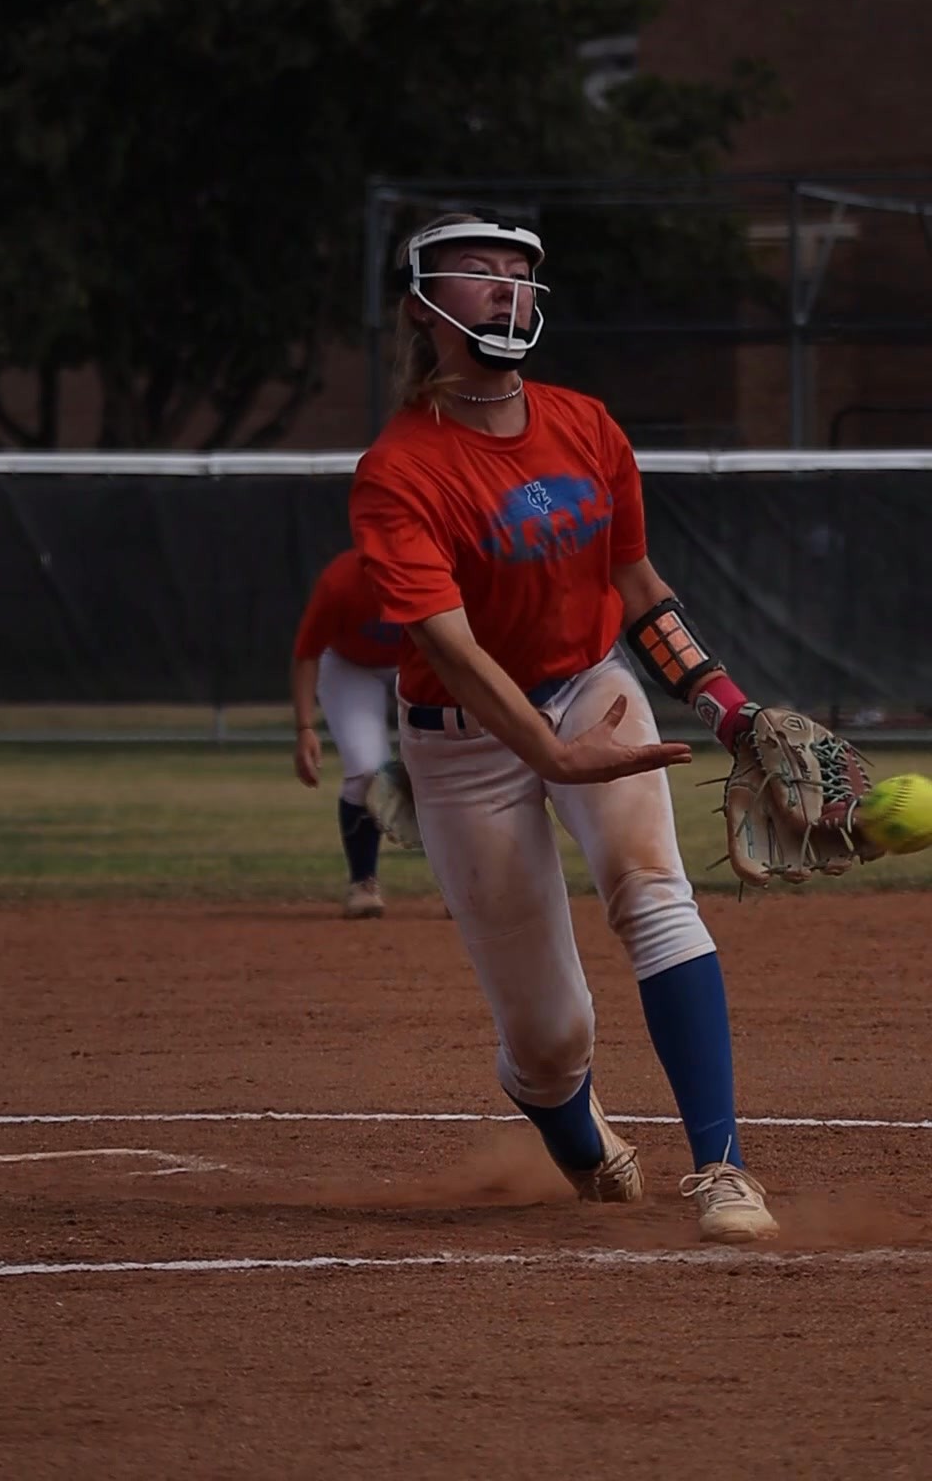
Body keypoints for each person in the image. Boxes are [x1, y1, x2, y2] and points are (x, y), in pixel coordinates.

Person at [348, 212, 778, 1242]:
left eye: (520, 272)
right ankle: (574, 1132)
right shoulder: (399, 469)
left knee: (654, 894)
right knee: (550, 1035)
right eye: (479, 271)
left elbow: (638, 586)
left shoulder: (586, 423)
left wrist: (729, 709)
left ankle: (723, 1167)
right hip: (464, 737)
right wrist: (547, 754)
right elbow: (452, 649)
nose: (507, 286)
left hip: (590, 681)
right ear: (423, 307)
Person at [291, 547, 404, 918]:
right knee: (367, 769)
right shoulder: (340, 582)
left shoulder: (436, 568)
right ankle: (363, 882)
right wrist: (305, 728)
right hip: (350, 666)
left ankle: (462, 887)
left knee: (444, 765)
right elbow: (307, 653)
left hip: (420, 661)